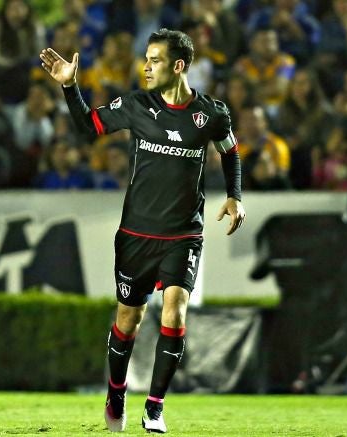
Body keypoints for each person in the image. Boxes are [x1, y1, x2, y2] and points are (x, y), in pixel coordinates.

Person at [40, 28, 246, 433]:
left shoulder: (212, 114)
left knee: (175, 310)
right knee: (128, 321)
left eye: (154, 59)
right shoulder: (137, 105)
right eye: (146, 58)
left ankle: (154, 406)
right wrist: (70, 87)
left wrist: (235, 196)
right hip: (136, 233)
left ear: (178, 65)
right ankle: (116, 390)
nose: (146, 66)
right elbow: (89, 127)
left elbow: (231, 150)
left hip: (184, 233)